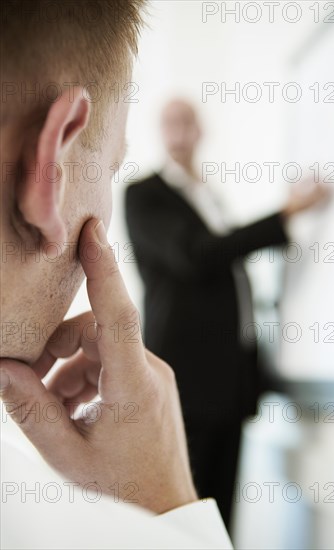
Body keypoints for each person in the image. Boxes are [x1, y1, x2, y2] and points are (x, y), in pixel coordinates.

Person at [0, 2, 233, 548]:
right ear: (49, 166)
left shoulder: (212, 196)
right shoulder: (52, 524)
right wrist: (172, 512)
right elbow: (200, 255)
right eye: (108, 166)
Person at [125, 99, 330, 528]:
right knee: (185, 518)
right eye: (171, 121)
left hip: (229, 381)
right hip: (186, 379)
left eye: (188, 121)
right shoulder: (145, 194)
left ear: (201, 130)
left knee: (221, 514)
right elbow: (196, 255)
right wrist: (285, 214)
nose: (180, 130)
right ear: (160, 132)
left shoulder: (209, 197)